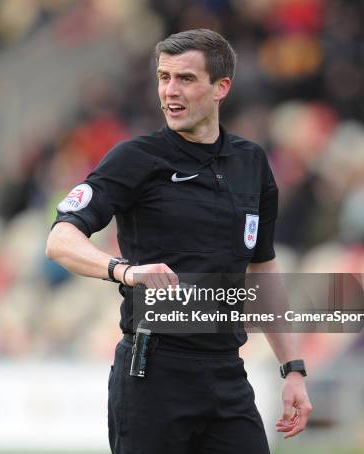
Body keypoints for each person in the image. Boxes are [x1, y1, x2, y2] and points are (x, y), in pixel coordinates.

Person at [45, 29, 312, 453]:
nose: (170, 90)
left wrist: (292, 368)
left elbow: (262, 269)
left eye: (185, 78)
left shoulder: (252, 163)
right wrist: (125, 271)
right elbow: (60, 239)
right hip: (153, 376)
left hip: (226, 373)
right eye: (163, 77)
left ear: (221, 87)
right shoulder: (135, 158)